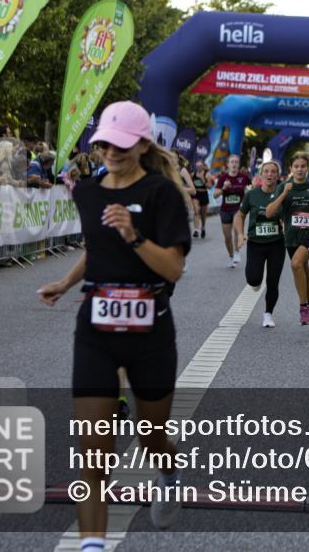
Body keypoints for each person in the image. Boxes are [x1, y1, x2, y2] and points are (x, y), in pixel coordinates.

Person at [38, 101, 191, 546]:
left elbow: (173, 269)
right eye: (105, 142)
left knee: (151, 436)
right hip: (96, 331)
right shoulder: (87, 191)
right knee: (93, 454)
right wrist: (66, 283)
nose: (111, 151)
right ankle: (93, 543)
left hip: (151, 331)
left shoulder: (162, 194)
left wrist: (135, 235)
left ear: (144, 145)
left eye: (122, 145)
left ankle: (168, 474)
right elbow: (98, 248)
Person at [265, 152, 309, 325]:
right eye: (296, 166)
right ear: (291, 169)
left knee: (295, 263)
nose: (300, 169)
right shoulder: (283, 187)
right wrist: (284, 193)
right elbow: (269, 212)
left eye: (303, 166)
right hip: (291, 236)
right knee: (302, 268)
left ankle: (303, 307)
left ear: (307, 168)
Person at [234, 161, 285, 328]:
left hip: (277, 244)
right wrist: (241, 235)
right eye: (266, 171)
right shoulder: (251, 194)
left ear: (277, 176)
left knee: (273, 281)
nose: (269, 174)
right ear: (261, 175)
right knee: (253, 279)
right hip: (256, 243)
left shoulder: (282, 194)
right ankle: (255, 283)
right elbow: (240, 215)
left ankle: (268, 314)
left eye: (273, 172)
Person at [213, 154, 251, 268]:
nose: (234, 164)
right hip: (225, 210)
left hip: (238, 209)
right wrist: (224, 188)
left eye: (236, 162)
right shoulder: (223, 178)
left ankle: (237, 252)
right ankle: (231, 255)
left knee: (236, 230)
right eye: (232, 162)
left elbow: (252, 188)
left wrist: (248, 191)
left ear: (238, 164)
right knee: (227, 237)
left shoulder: (244, 177)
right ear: (228, 164)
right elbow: (215, 195)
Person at [191, 160, 211, 239]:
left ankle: (203, 227)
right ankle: (196, 230)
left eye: (200, 166)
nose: (198, 167)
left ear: (203, 166)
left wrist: (202, 179)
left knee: (203, 214)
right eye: (197, 166)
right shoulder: (193, 174)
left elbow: (209, 186)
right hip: (196, 194)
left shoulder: (207, 174)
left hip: (204, 194)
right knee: (196, 211)